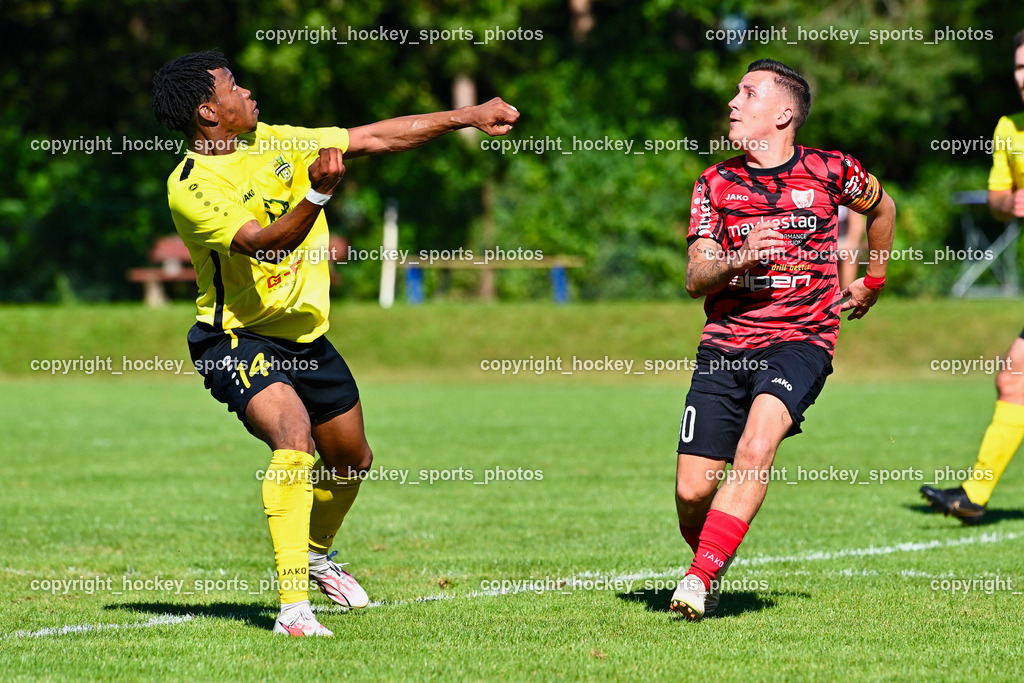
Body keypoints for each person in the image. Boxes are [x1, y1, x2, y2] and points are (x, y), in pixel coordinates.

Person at [151, 50, 519, 636]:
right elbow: (265, 244)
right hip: (237, 339)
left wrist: (466, 115)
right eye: (233, 87)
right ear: (207, 111)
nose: (248, 92)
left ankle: (318, 553)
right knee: (293, 439)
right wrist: (318, 197)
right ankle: (294, 610)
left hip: (308, 338)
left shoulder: (277, 139)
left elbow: (372, 137)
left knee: (352, 460)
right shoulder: (191, 186)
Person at [670, 58, 896, 620]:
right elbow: (696, 278)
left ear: (783, 113)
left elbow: (884, 207)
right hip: (725, 345)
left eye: (747, 94)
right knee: (693, 493)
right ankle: (710, 560)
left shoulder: (832, 169)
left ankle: (699, 580)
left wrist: (873, 279)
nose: (733, 103)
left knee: (756, 445)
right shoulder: (714, 183)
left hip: (802, 339)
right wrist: (740, 256)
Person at [920, 30, 1024, 525]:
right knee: (1015, 380)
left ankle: (975, 494)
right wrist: (1011, 201)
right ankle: (974, 494)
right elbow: (999, 201)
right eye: (1020, 69)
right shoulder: (1010, 127)